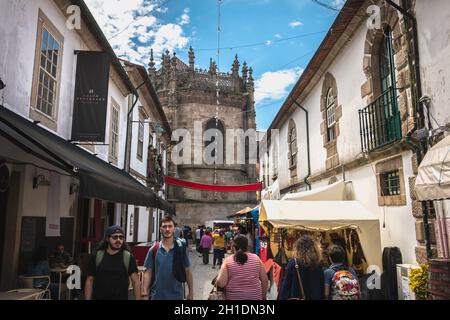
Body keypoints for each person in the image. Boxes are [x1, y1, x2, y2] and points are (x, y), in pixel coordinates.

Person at [142, 215, 193, 300]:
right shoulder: (154, 250)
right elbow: (148, 272)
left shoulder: (181, 249)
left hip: (176, 296)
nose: (167, 229)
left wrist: (191, 292)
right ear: (160, 229)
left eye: (170, 226)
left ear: (174, 229)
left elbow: (188, 270)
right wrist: (144, 292)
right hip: (156, 296)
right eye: (164, 226)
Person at [84, 225, 141, 300]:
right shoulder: (97, 256)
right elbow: (89, 280)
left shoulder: (128, 257)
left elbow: (135, 281)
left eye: (121, 237)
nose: (118, 240)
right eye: (115, 237)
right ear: (107, 239)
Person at [216, 234, 268, 300]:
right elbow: (265, 280)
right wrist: (263, 297)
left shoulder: (228, 261)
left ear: (233, 246)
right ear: (247, 246)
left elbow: (221, 283)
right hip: (255, 297)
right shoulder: (256, 258)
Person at [279, 235, 324, 300]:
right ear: (314, 248)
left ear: (297, 248)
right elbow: (321, 286)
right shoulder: (317, 264)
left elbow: (285, 288)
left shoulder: (293, 263)